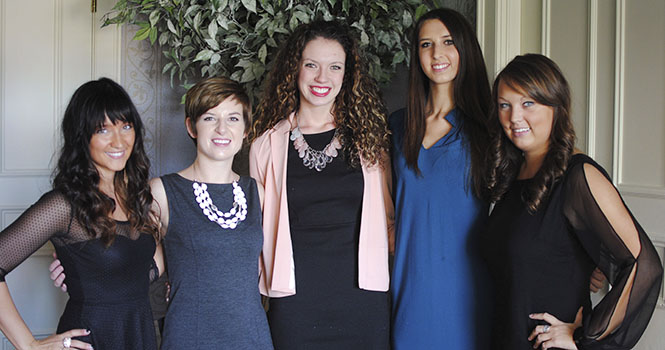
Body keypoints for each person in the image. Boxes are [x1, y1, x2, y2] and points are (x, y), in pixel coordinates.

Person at [482, 53, 663, 349]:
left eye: (528, 103)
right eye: (505, 105)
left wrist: (583, 337)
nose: (514, 117)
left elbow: (646, 265)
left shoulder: (579, 176)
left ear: (556, 105)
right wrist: (594, 263)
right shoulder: (513, 177)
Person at [249, 20, 393, 349]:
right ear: (294, 69)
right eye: (311, 65)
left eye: (334, 67)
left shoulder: (369, 142)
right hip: (294, 304)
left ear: (347, 74)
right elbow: (253, 233)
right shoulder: (266, 147)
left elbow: (389, 224)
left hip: (363, 302)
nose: (322, 78)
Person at [0, 78, 163, 350]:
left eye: (125, 126)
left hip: (139, 335)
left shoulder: (138, 196)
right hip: (91, 340)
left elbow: (145, 269)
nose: (119, 140)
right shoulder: (65, 206)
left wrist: (95, 277)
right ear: (81, 136)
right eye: (102, 130)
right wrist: (28, 344)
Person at [388, 8, 492, 349]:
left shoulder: (489, 127)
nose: (437, 54)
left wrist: (588, 256)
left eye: (448, 42)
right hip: (408, 289)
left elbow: (549, 179)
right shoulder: (397, 127)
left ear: (465, 48)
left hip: (469, 296)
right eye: (425, 44)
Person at [150, 77, 273, 349]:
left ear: (245, 130)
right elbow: (137, 263)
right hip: (188, 337)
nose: (221, 129)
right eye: (209, 118)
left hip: (251, 338)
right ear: (191, 126)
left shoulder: (258, 193)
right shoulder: (162, 192)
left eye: (233, 119)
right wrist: (80, 265)